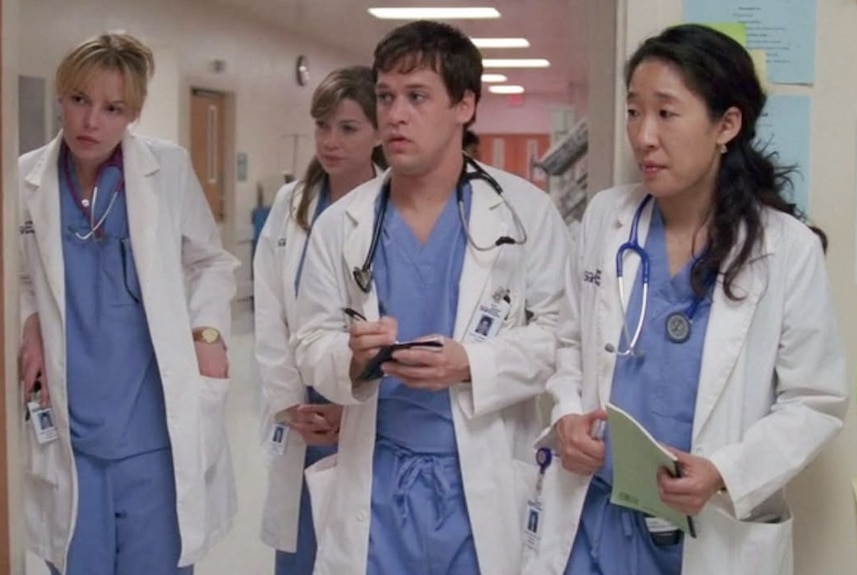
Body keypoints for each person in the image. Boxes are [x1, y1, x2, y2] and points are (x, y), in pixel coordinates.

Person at [529, 24, 848, 575]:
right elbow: (569, 344)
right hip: (594, 523)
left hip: (710, 532)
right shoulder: (607, 218)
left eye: (666, 113)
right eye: (634, 112)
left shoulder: (786, 248)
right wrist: (569, 415)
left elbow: (814, 399)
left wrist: (726, 472)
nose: (643, 136)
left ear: (727, 125)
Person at [294, 20, 571, 575]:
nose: (395, 115)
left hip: (481, 480)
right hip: (375, 485)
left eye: (417, 97)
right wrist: (349, 358)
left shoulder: (525, 213)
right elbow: (310, 341)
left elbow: (561, 338)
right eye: (386, 97)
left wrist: (473, 363)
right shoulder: (341, 224)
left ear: (465, 105)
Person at [17, 33, 239, 575]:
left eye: (113, 108)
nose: (91, 121)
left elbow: (209, 260)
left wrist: (208, 334)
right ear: (61, 97)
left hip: (154, 432)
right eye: (80, 100)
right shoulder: (25, 178)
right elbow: (20, 273)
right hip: (71, 431)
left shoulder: (166, 168)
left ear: (133, 114)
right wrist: (30, 322)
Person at [253, 65, 384, 575]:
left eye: (348, 128)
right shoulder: (293, 204)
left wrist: (352, 404)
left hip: (363, 402)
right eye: (322, 126)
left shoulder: (390, 207)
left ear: (378, 133)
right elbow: (270, 308)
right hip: (304, 408)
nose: (330, 141)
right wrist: (289, 403)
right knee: (301, 547)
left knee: (358, 545)